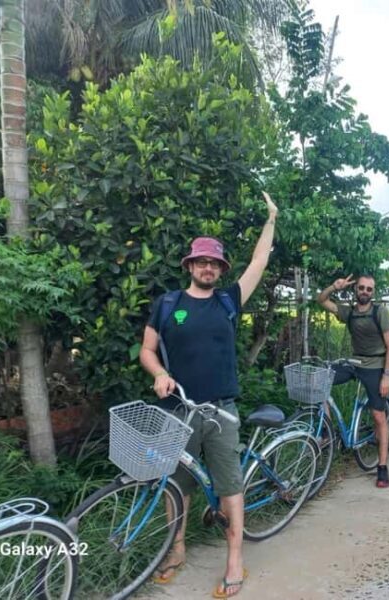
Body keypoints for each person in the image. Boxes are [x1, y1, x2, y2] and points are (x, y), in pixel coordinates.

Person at [140, 192, 278, 598]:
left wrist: (271, 219)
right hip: (177, 409)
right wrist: (161, 373)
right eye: (201, 261)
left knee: (229, 484)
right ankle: (176, 550)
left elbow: (259, 262)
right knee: (176, 483)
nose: (207, 267)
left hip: (220, 411)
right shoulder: (167, 305)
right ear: (190, 265)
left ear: (220, 269)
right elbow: (147, 350)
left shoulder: (228, 301)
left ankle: (235, 559)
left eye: (214, 263)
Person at [317, 273, 389, 488]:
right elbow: (322, 301)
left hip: (375, 366)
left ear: (373, 292)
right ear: (356, 289)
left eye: (369, 289)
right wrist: (333, 286)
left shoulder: (380, 312)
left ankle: (382, 466)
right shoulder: (349, 312)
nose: (365, 292)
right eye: (361, 288)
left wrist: (386, 377)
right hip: (354, 362)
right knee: (320, 379)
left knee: (378, 415)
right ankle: (327, 430)